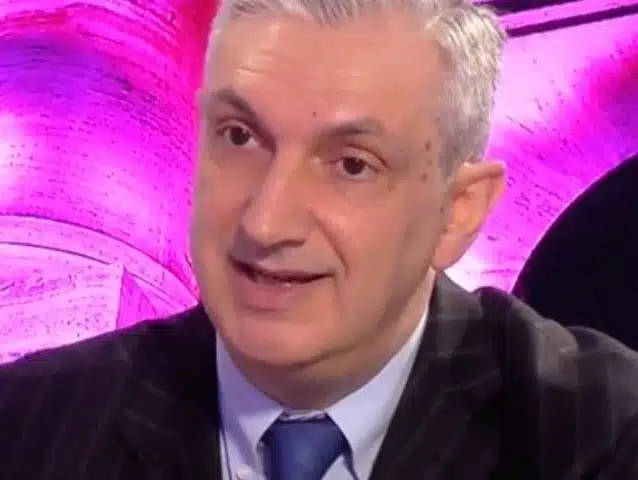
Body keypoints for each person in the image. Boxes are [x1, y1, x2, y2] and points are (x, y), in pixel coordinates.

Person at [1, 0, 638, 478]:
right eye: (240, 136)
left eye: (352, 165)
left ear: (456, 212)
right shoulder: (28, 425)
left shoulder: (599, 433)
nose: (265, 223)